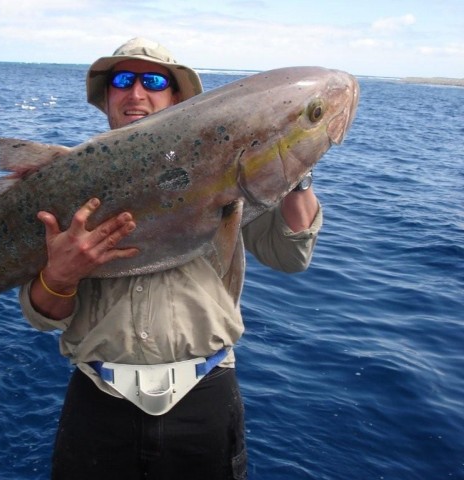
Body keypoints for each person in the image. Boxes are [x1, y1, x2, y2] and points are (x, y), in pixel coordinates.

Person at [19, 37, 322, 479]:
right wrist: (59, 278)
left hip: (205, 396)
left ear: (176, 96)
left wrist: (296, 165)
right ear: (107, 96)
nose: (136, 92)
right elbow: (41, 316)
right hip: (99, 401)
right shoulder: (69, 187)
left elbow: (290, 256)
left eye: (153, 80)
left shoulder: (234, 167)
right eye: (122, 80)